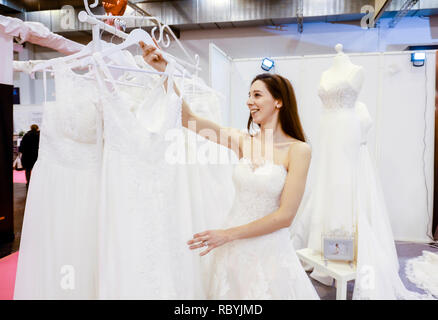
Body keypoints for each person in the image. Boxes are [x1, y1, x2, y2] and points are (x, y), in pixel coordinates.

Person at [141, 42, 319, 299]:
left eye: (257, 95)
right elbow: (188, 119)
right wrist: (164, 71)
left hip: (266, 250)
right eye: (249, 95)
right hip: (231, 249)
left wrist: (227, 234)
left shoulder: (298, 150)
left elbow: (285, 217)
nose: (249, 102)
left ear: (278, 101)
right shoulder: (241, 140)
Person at [19, 124, 40, 190]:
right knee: (36, 170)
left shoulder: (26, 135)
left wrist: (22, 152)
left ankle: (28, 182)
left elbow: (21, 146)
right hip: (36, 156)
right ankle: (35, 183)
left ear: (30, 128)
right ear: (37, 128)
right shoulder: (39, 136)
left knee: (28, 170)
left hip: (27, 156)